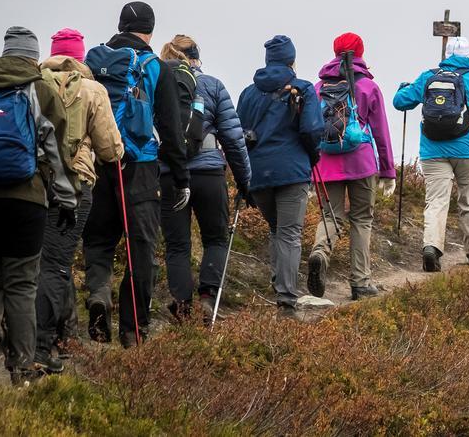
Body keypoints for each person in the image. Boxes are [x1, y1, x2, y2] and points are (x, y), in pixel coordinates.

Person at [83, 1, 191, 347]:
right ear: (150, 29)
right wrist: (180, 176)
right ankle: (134, 330)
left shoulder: (94, 60)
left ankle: (98, 294)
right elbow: (171, 128)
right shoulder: (155, 66)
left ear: (120, 26)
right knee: (139, 247)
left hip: (100, 162)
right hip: (140, 166)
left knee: (98, 240)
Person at [34, 29, 123, 373]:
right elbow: (110, 149)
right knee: (56, 263)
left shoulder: (32, 84)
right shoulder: (92, 89)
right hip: (76, 185)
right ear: (81, 57)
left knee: (46, 259)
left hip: (33, 184)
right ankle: (42, 345)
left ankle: (65, 334)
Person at [0, 27, 77, 384]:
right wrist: (67, 200)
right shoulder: (40, 89)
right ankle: (22, 367)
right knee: (22, 284)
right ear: (33, 55)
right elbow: (57, 154)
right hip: (27, 201)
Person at [158, 35, 251, 323]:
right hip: (209, 172)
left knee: (177, 245)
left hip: (170, 173)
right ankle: (208, 298)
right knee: (215, 238)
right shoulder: (212, 85)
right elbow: (234, 139)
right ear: (197, 58)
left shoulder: (157, 82)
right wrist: (245, 182)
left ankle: (182, 305)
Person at [393, 36, 469, 272]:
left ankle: (431, 247)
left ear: (447, 55)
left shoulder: (427, 77)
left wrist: (403, 89)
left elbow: (400, 102)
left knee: (436, 201)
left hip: (433, 149)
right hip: (468, 149)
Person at [237, 35, 323, 314]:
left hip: (258, 173)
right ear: (292, 60)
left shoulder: (248, 94)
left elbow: (237, 134)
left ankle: (279, 284)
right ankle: (286, 298)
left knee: (277, 230)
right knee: (289, 234)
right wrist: (312, 155)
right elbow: (311, 129)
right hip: (292, 171)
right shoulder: (304, 89)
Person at [308, 33, 395, 300]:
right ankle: (360, 282)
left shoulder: (317, 87)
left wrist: (310, 169)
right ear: (360, 52)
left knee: (330, 214)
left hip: (327, 163)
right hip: (362, 161)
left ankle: (320, 252)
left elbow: (310, 131)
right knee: (361, 219)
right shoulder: (369, 87)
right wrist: (388, 171)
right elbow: (381, 132)